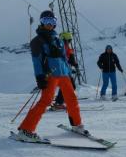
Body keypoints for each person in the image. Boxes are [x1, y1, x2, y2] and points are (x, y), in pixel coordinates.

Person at [17, 10, 86, 141]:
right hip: (50, 75)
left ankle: (77, 125)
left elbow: (64, 58)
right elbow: (36, 60)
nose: (49, 24)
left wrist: (69, 74)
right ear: (41, 23)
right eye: (46, 21)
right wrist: (40, 76)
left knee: (71, 99)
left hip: (64, 74)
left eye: (52, 22)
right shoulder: (37, 41)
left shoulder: (58, 40)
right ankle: (26, 130)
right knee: (46, 101)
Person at [52, 31, 78, 110]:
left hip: (63, 70)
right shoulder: (64, 47)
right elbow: (69, 59)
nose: (70, 42)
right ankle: (59, 102)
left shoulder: (60, 47)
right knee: (70, 86)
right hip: (63, 71)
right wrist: (74, 64)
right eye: (69, 40)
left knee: (67, 86)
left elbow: (68, 58)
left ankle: (59, 101)